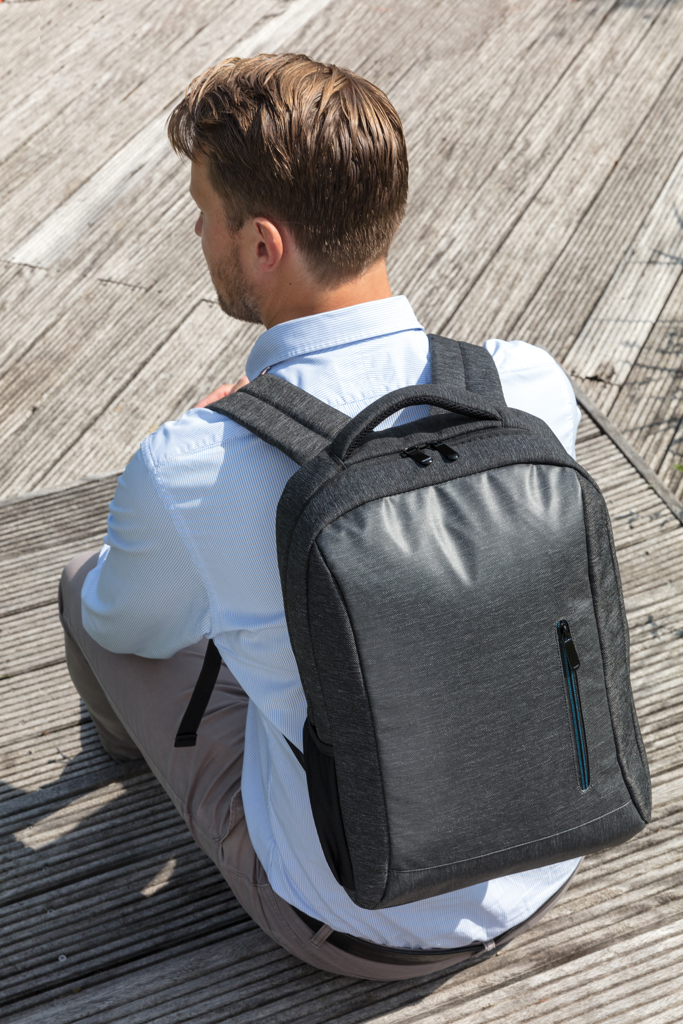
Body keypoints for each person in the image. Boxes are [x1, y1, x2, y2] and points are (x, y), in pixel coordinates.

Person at [60, 53, 582, 981]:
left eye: (203, 209)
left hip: (357, 922)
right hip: (555, 845)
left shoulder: (190, 466)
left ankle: (124, 760)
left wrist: (207, 470)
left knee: (86, 593)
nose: (195, 228)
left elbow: (126, 629)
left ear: (263, 244)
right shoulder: (526, 383)